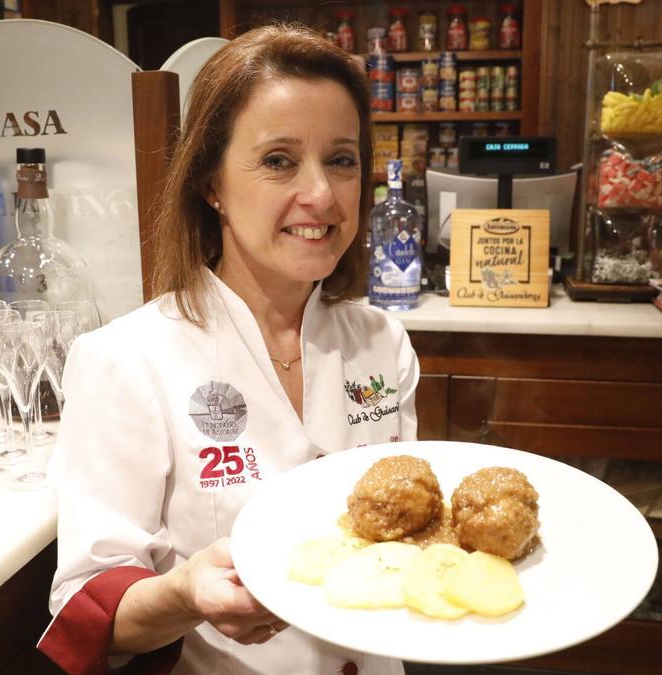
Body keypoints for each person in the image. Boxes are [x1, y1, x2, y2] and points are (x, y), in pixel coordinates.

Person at [37, 23, 419, 675]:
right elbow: (88, 610)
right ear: (210, 181)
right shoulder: (126, 359)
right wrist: (184, 593)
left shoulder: (383, 343)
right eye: (279, 160)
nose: (321, 195)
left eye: (341, 159)